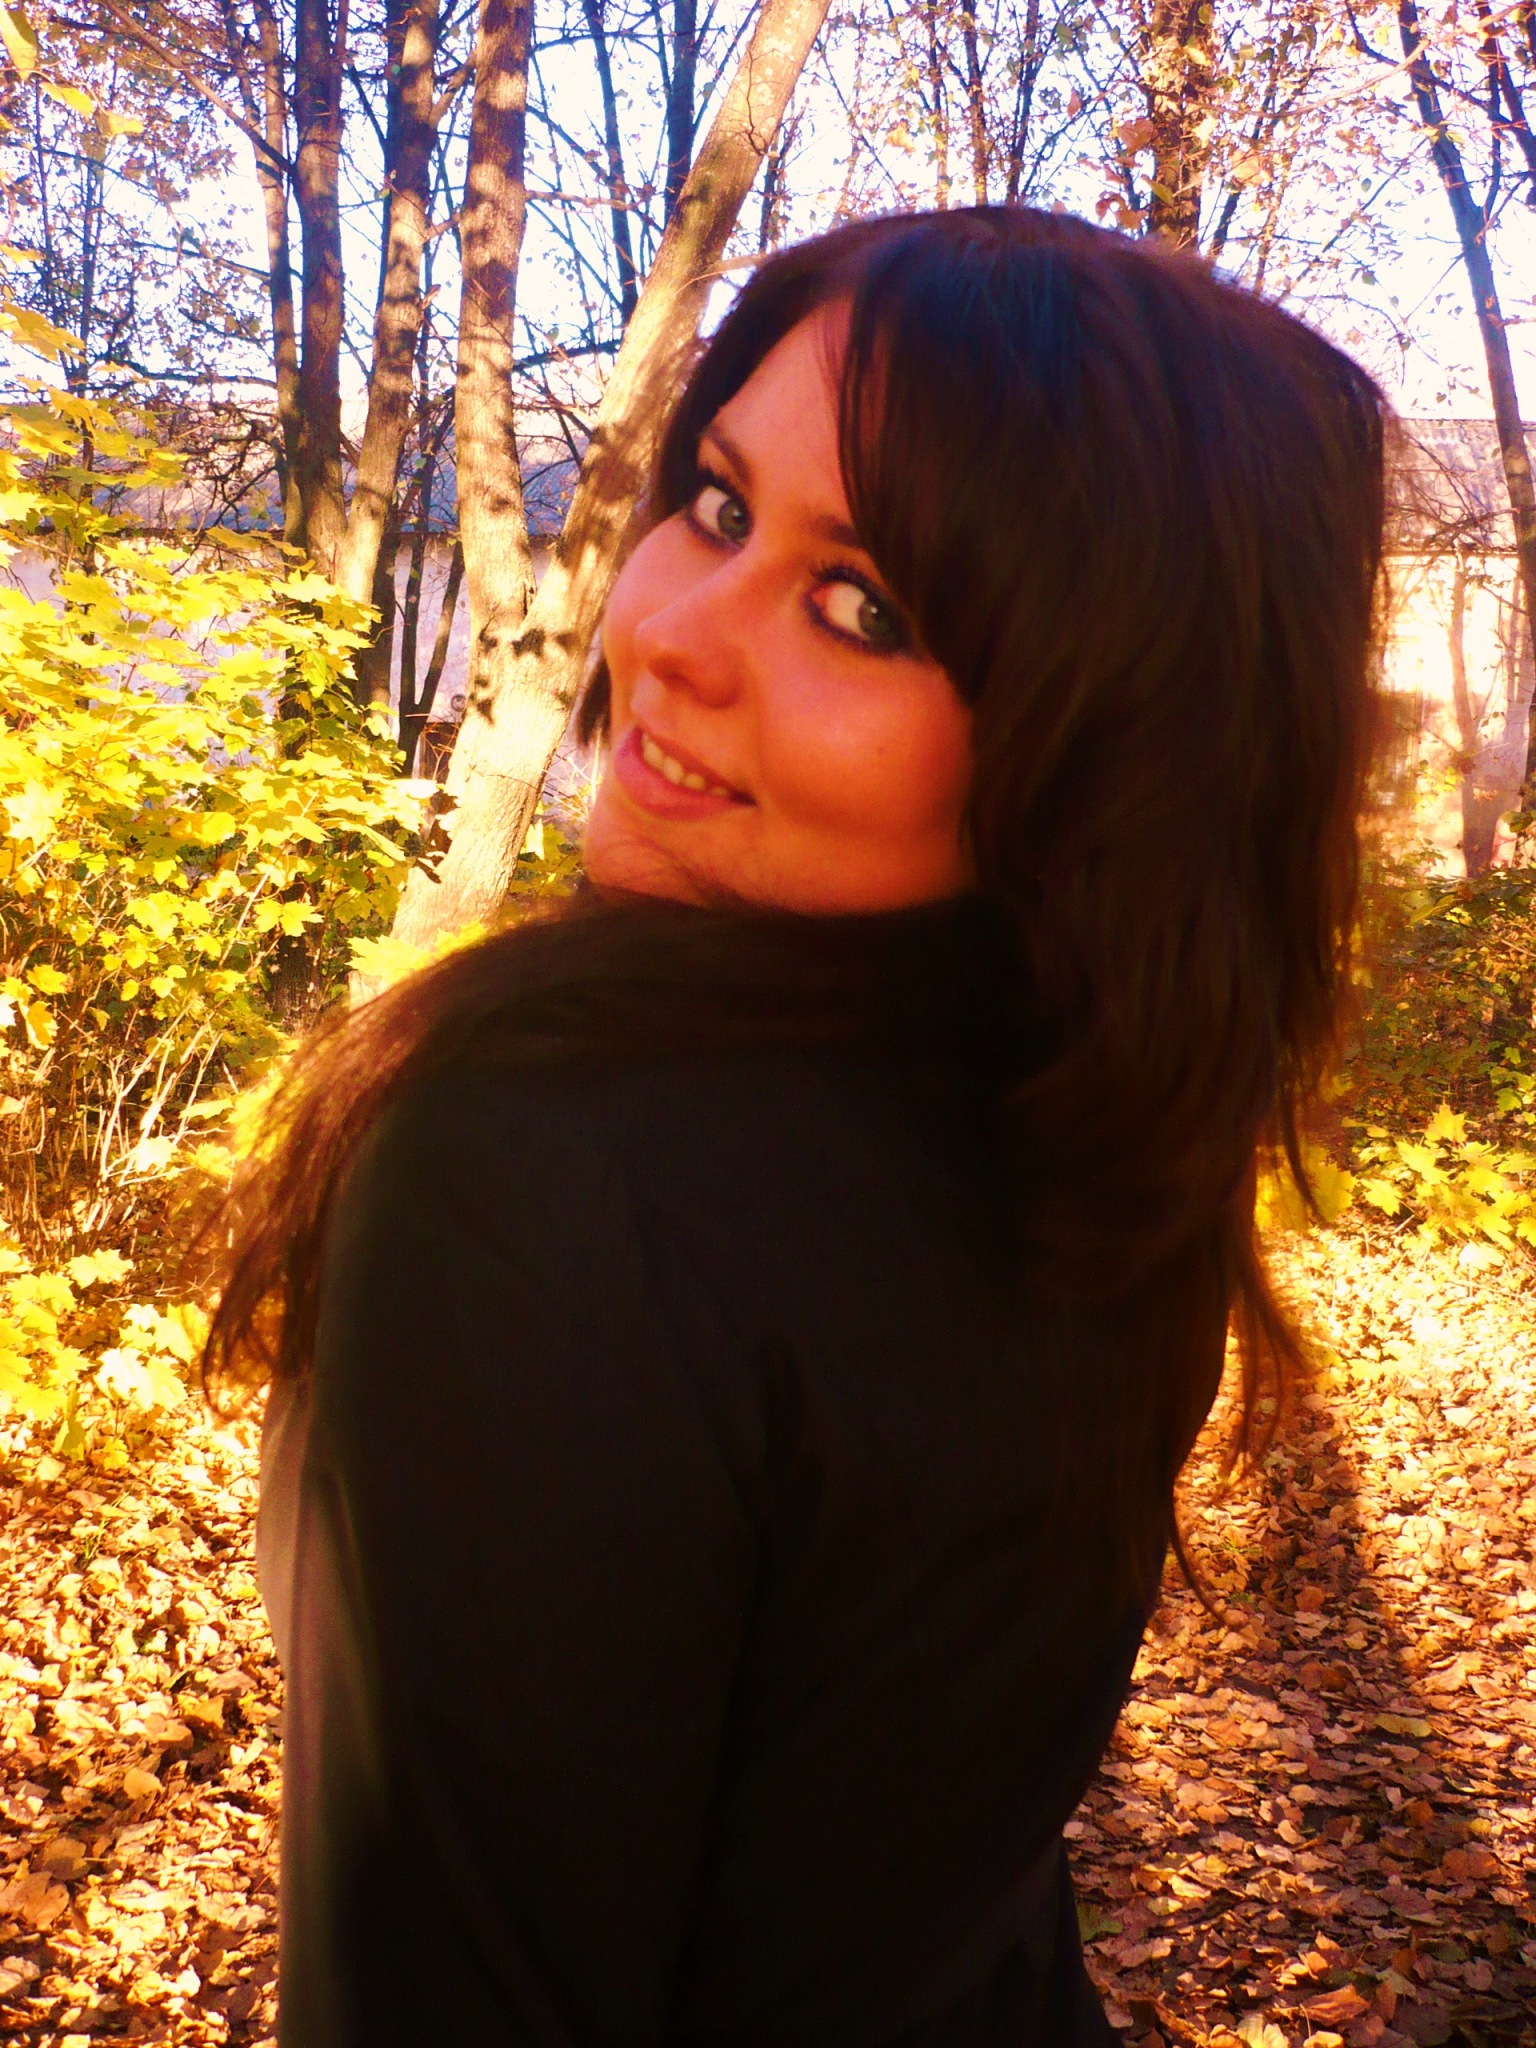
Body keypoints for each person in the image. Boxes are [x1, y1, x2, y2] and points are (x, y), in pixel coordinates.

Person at [207, 205, 1386, 2045]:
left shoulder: (547, 1171)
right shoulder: (1108, 1152)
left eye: (866, 609)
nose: (670, 634)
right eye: (719, 506)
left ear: (1094, 757)